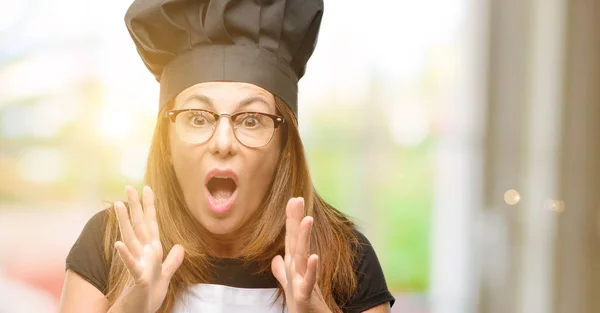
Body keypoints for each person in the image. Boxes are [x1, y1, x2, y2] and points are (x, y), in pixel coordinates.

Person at [58, 0, 395, 312]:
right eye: (197, 117)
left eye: (251, 120)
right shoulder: (109, 244)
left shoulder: (345, 255)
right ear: (167, 143)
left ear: (283, 147)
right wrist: (133, 304)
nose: (222, 143)